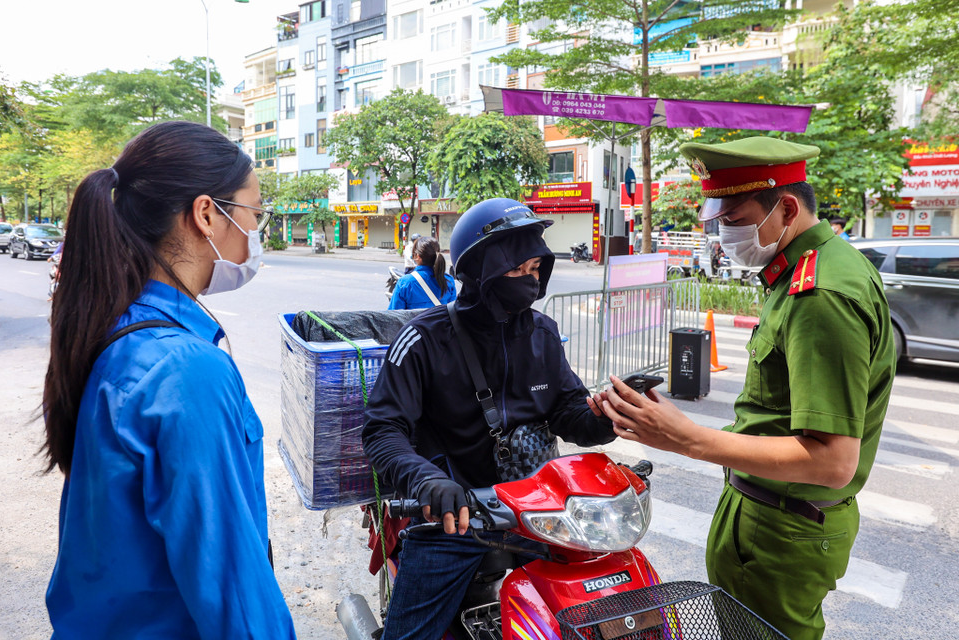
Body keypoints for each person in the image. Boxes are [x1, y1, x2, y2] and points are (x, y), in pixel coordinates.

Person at [596, 137, 895, 640]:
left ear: (787, 208)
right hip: (763, 513)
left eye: (734, 221)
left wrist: (684, 437)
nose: (723, 236)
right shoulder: (802, 269)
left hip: (783, 529)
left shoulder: (820, 294)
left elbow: (833, 462)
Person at [41, 121, 296, 639]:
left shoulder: (116, 331)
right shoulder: (185, 368)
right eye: (254, 214)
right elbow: (231, 585)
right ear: (207, 214)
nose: (257, 232)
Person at [362, 198, 616, 640]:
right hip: (456, 519)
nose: (531, 281)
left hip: (541, 516)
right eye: (518, 270)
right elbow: (383, 430)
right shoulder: (423, 340)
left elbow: (568, 413)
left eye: (537, 268)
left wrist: (607, 415)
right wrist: (428, 483)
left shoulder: (542, 333)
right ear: (479, 272)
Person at [388, 236, 456, 310]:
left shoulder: (404, 283)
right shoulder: (449, 281)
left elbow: (394, 316)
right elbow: (452, 312)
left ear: (417, 256)